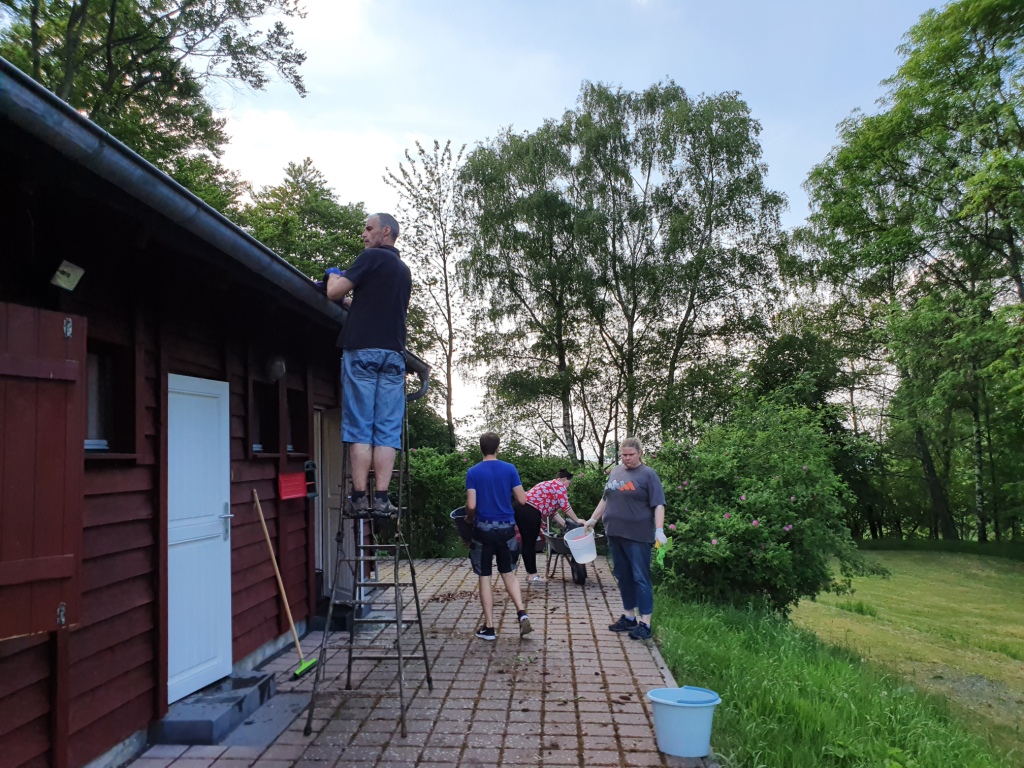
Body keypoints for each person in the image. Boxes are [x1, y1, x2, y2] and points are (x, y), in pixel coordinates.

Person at [326, 213, 411, 517]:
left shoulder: (370, 257)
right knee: (387, 429)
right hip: (393, 356)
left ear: (385, 231)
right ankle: (384, 500)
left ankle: (360, 496)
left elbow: (335, 293)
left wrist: (333, 275)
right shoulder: (403, 270)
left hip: (362, 351)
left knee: (361, 426)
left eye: (368, 228)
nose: (364, 234)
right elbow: (366, 305)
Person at [584, 437, 666, 641]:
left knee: (640, 577)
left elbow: (658, 504)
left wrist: (659, 530)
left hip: (638, 536)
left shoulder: (648, 474)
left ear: (639, 454)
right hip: (615, 533)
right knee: (622, 575)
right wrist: (593, 519)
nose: (627, 458)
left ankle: (645, 623)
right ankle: (629, 617)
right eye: (623, 455)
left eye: (630, 455)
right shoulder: (616, 471)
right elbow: (606, 498)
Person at [464, 432, 534, 641]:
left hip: (483, 531)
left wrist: (468, 518)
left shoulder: (473, 472)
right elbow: (522, 499)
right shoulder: (510, 469)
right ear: (498, 448)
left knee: (485, 576)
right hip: (506, 529)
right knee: (508, 573)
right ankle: (522, 612)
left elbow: (472, 505)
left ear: (480, 448)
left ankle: (490, 628)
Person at [516, 469, 583, 585]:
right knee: (529, 544)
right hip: (529, 511)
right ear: (563, 479)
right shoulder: (559, 485)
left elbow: (553, 513)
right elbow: (565, 506)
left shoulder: (551, 486)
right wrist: (577, 520)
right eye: (569, 483)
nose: (569, 487)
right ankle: (532, 575)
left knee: (528, 543)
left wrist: (566, 525)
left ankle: (530, 574)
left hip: (524, 509)